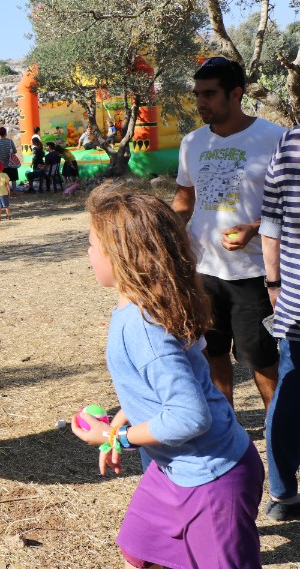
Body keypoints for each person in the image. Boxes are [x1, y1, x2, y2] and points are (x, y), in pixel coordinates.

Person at [74, 184, 263, 569]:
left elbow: (189, 416)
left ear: (121, 256)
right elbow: (171, 384)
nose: (87, 253)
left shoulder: (143, 327)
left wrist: (116, 437)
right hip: (173, 472)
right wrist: (127, 414)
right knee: (139, 549)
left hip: (211, 477)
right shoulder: (148, 305)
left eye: (92, 244)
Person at [172, 56, 286, 409]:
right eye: (197, 94)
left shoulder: (274, 139)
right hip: (203, 270)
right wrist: (166, 240)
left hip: (254, 275)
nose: (200, 103)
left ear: (235, 94)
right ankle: (226, 428)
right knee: (212, 352)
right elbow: (185, 198)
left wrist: (254, 228)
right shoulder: (192, 142)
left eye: (209, 94)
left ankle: (279, 431)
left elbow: (291, 206)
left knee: (261, 360)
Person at [259, 125, 300, 521]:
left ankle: (284, 494)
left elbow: (270, 225)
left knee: (289, 393)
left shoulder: (290, 143)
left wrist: (274, 284)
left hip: (297, 298)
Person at [0, 126, 18, 196]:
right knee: (13, 178)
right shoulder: (10, 141)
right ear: (6, 133)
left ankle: (5, 192)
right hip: (11, 162)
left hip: (2, 163)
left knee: (3, 178)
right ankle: (14, 192)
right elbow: (15, 151)